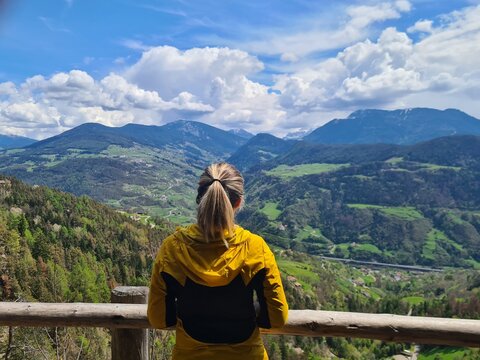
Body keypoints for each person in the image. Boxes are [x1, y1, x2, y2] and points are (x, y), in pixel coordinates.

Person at [148, 162, 288, 359]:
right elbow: (276, 318)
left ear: (199, 199)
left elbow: (159, 319)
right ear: (238, 202)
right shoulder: (255, 248)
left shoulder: (172, 249)